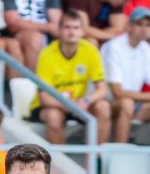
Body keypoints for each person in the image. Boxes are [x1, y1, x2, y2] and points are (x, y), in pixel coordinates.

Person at [33, 10, 110, 144]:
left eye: (76, 28)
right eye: (67, 27)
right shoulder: (47, 53)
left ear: (82, 31)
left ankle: (96, 155)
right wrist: (69, 104)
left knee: (103, 107)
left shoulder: (90, 50)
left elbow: (102, 89)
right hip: (54, 105)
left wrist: (86, 100)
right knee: (53, 116)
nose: (71, 32)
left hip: (78, 103)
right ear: (59, 30)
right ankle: (61, 158)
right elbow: (44, 98)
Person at [102, 6, 150, 144]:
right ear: (129, 26)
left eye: (148, 25)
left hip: (134, 103)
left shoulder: (147, 49)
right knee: (127, 104)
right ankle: (119, 151)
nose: (144, 28)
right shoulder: (114, 47)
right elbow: (118, 93)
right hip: (108, 102)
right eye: (139, 24)